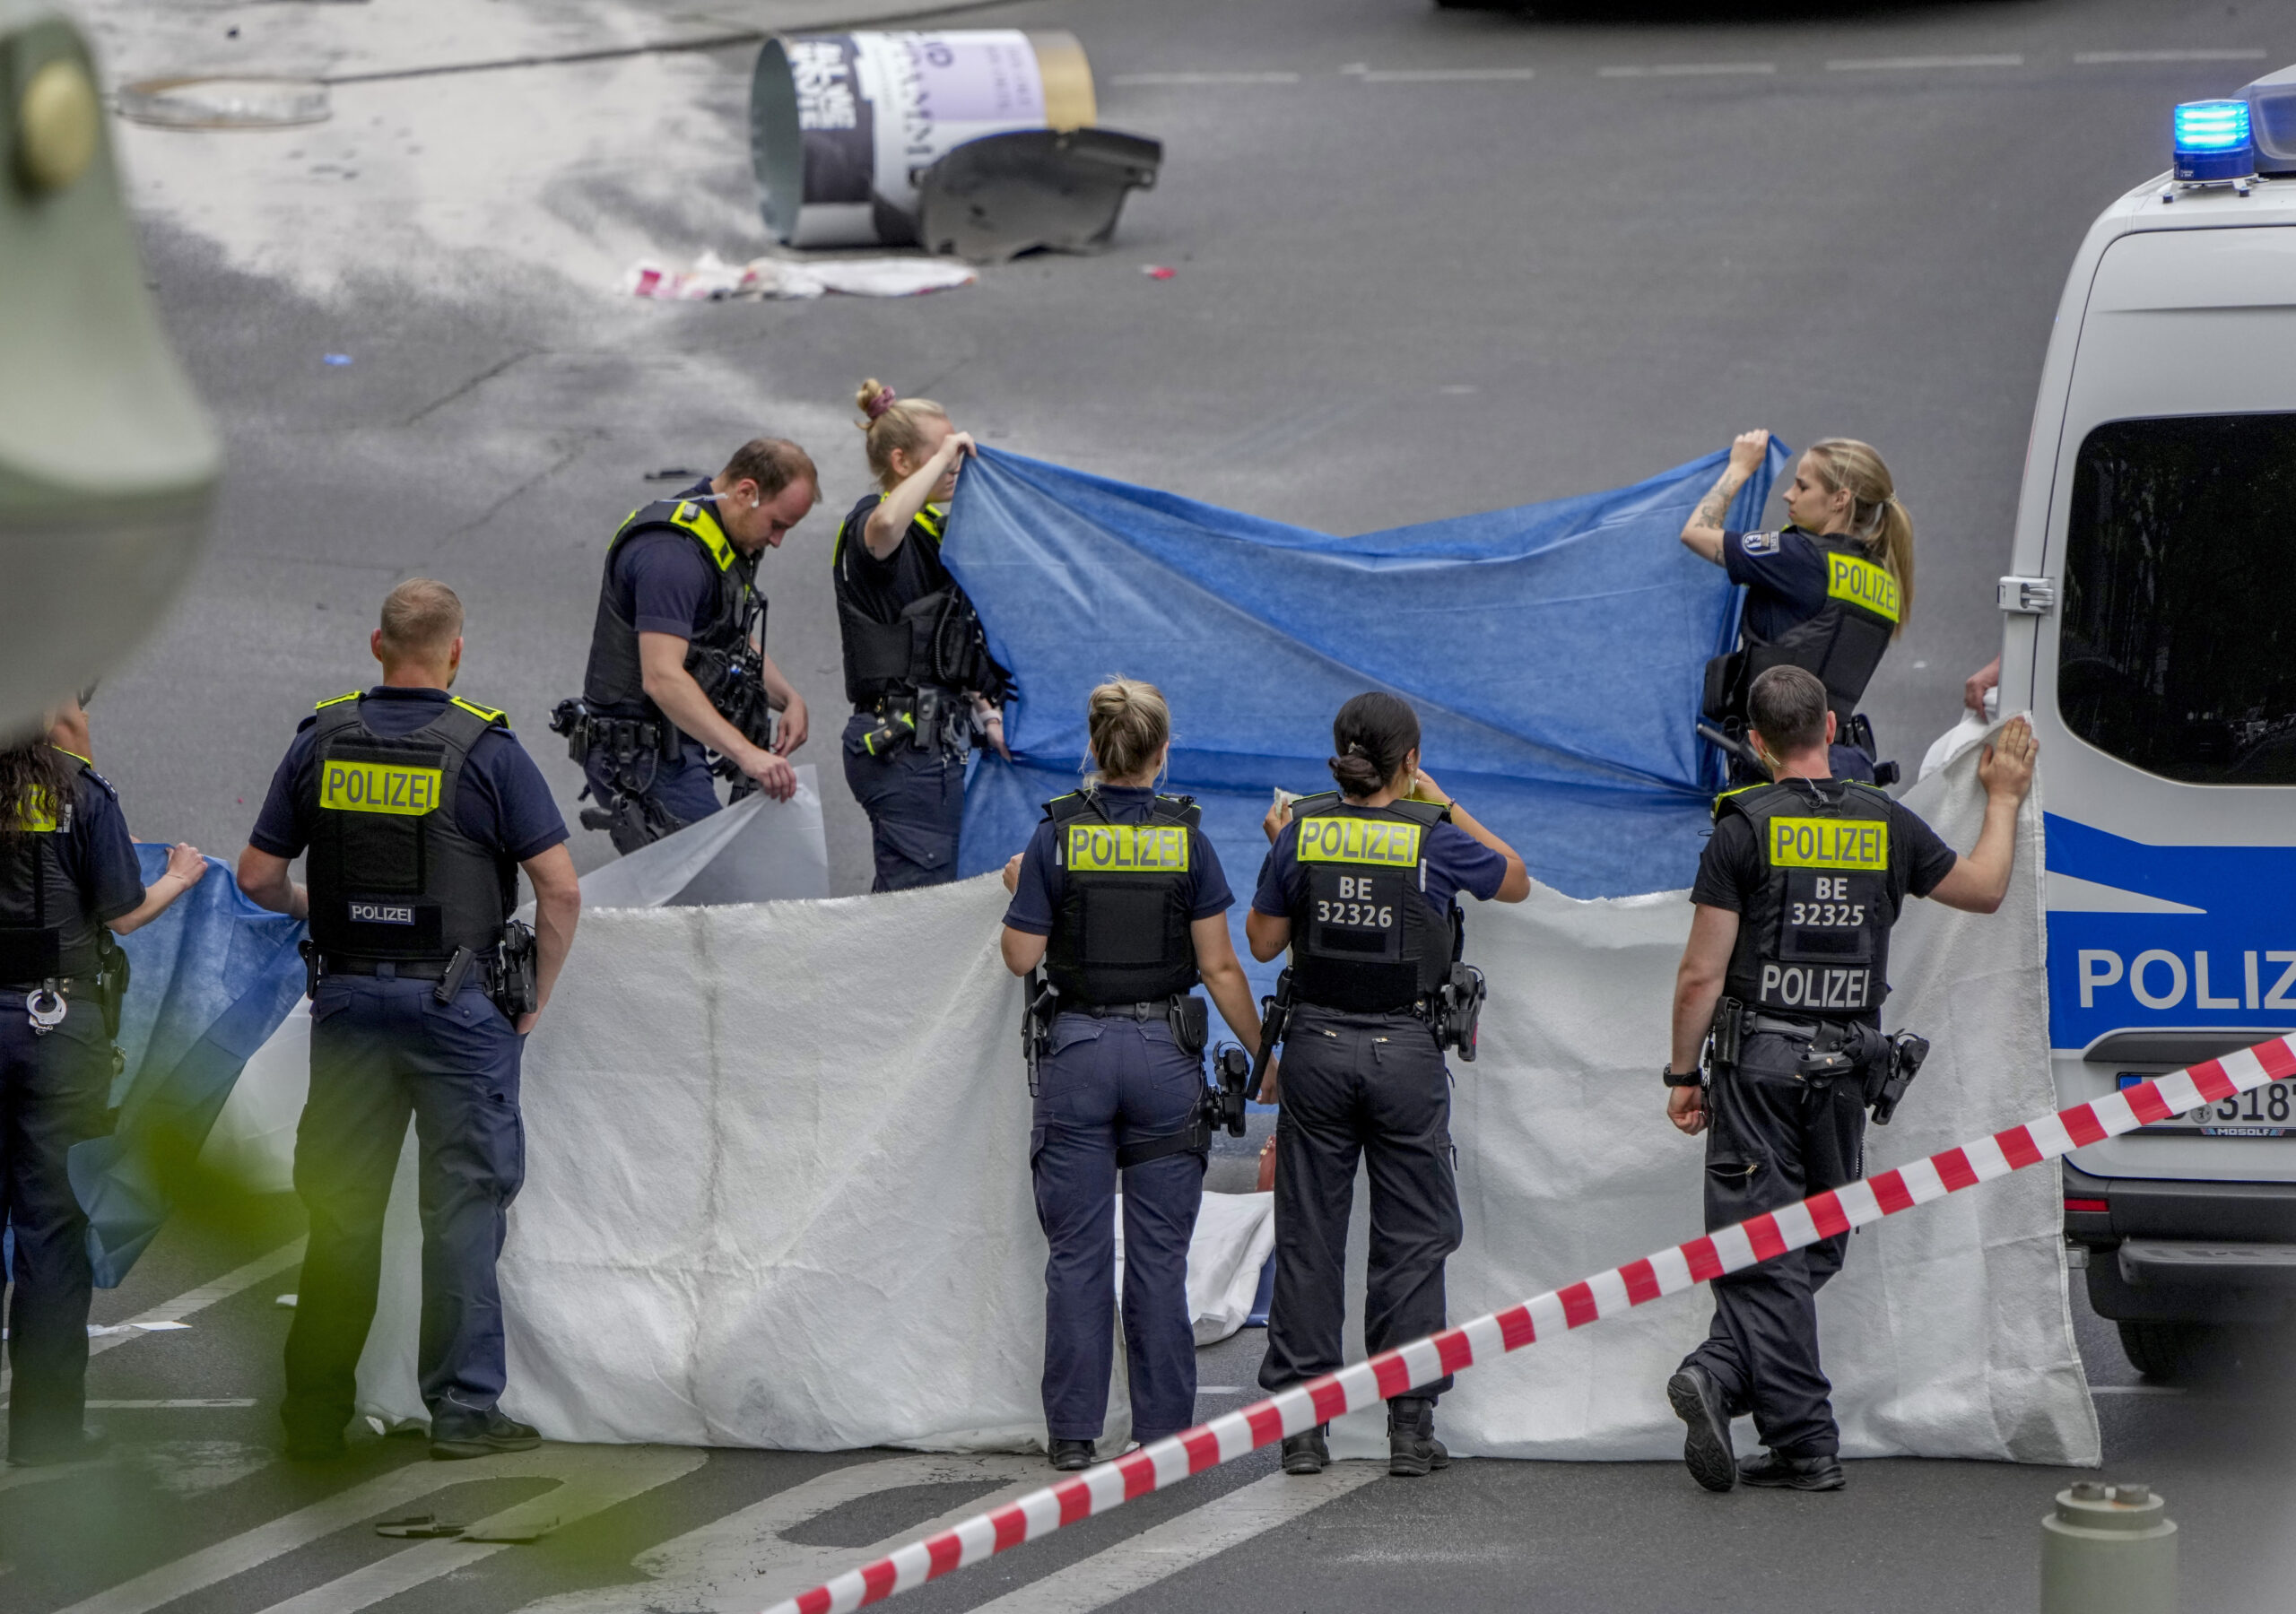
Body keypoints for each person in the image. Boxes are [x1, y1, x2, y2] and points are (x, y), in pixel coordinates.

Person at [1662, 665, 2036, 1494]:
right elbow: (1984, 888)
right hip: (1845, 1070)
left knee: (1768, 1255)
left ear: (1756, 745)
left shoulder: (1741, 827)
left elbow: (1700, 975)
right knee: (1816, 1241)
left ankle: (1795, 1436)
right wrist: (2002, 799)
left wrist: (1683, 1074)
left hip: (1758, 1066)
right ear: (1830, 729)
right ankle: (1725, 1380)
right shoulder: (1887, 822)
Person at [238, 580, 582, 1462]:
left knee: (341, 1213)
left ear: (375, 645)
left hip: (350, 1004)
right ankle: (462, 1413)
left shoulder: (321, 741)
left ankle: (313, 1417)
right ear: (455, 651)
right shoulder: (486, 750)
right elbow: (559, 889)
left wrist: (330, 910)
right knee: (462, 1210)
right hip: (459, 1010)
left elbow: (257, 878)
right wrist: (534, 994)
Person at [1246, 692, 1530, 1479]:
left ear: (1339, 752)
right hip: (1406, 1053)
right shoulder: (1434, 837)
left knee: (1309, 1237)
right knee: (1411, 1240)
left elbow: (1265, 943)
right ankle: (1409, 1428)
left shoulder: (1301, 831)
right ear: (1408, 762)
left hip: (1317, 1050)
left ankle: (1304, 1430)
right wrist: (1440, 801)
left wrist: (1282, 855)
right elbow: (1517, 881)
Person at [998, 679, 1260, 1471]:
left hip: (1077, 1054)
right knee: (1157, 1258)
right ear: (1161, 752)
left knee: (1077, 1255)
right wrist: (1266, 1056)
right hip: (1162, 1063)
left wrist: (1022, 886)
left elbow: (1020, 955)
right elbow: (1218, 966)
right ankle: (1164, 1436)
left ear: (1095, 746)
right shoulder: (1188, 839)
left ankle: (1075, 1436)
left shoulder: (1057, 836)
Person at [3, 719, 206, 1465]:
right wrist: (180, 878)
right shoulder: (79, 793)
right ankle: (47, 1433)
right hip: (59, 1032)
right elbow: (124, 912)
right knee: (52, 1230)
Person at [569, 439, 820, 854]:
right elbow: (663, 678)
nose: (777, 541)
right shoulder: (672, 556)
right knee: (711, 891)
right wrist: (746, 754)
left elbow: (731, 637)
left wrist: (789, 698)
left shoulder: (717, 533)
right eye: (778, 525)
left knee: (712, 886)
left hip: (674, 741)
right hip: (640, 759)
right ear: (746, 492)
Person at [834, 380, 1011, 891]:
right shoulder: (872, 520)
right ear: (903, 462)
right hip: (904, 752)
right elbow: (888, 521)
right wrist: (946, 456)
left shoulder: (933, 536)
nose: (956, 463)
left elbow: (947, 643)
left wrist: (986, 713)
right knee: (911, 916)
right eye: (942, 452)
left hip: (934, 746)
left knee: (918, 906)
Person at [1683, 430, 1915, 785]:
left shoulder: (1799, 557)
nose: (1789, 494)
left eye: (1803, 486)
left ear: (1840, 499)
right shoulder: (1882, 579)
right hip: (1846, 769)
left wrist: (1740, 468)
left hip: (1777, 770)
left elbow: (1696, 533)